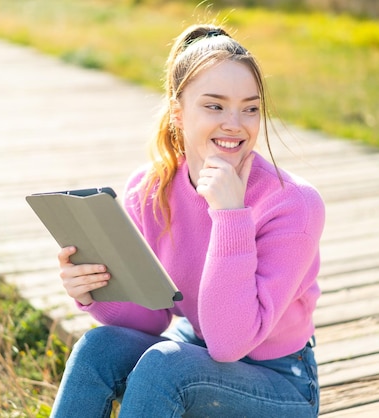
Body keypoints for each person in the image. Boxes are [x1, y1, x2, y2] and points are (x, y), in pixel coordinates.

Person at [50, 23, 325, 417]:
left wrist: (230, 216)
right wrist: (94, 290)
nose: (235, 122)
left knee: (166, 367)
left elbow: (230, 343)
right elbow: (152, 316)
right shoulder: (149, 189)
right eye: (214, 105)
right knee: (100, 347)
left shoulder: (294, 204)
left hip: (281, 383)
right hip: (192, 348)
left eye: (250, 107)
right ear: (178, 113)